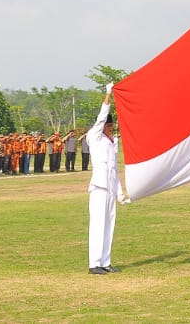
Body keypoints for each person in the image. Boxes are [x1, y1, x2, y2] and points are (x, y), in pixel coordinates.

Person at [86, 84, 122, 275]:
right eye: (109, 125)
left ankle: (105, 262)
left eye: (112, 126)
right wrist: (108, 94)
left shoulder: (111, 142)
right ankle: (94, 263)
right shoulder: (94, 137)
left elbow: (115, 170)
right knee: (98, 224)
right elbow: (101, 117)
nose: (111, 128)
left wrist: (121, 193)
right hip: (99, 188)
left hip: (110, 189)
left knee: (110, 224)